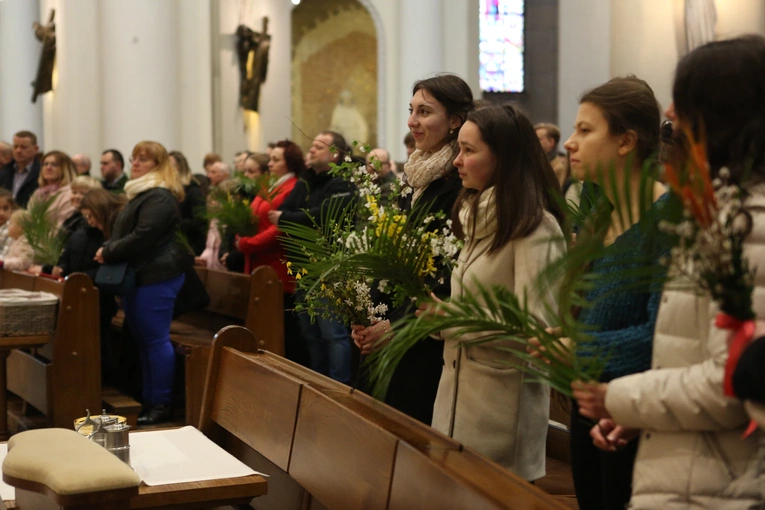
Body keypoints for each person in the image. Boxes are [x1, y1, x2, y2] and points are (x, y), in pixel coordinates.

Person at [574, 35, 765, 509]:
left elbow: (737, 382)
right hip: (681, 460)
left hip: (721, 482)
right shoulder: (714, 214)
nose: (671, 116)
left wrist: (622, 397)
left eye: (686, 102)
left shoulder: (748, 224)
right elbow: (689, 348)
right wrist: (638, 414)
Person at [418, 104, 565, 479]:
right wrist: (439, 317)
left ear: (503, 157)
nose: (457, 162)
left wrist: (451, 321)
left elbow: (536, 330)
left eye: (469, 151)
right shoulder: (475, 215)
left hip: (501, 415)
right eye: (459, 150)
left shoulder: (535, 227)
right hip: (454, 400)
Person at [545, 76, 665, 510]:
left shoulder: (664, 220)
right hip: (588, 405)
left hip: (636, 418)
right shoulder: (599, 219)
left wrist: (580, 347)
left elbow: (662, 334)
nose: (570, 143)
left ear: (626, 142)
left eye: (585, 130)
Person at [351, 74, 473, 424]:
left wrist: (395, 326)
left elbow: (446, 272)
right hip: (385, 329)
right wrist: (366, 315)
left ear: (454, 121)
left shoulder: (458, 185)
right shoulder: (412, 179)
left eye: (424, 111)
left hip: (422, 340)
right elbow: (391, 256)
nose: (412, 121)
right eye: (411, 110)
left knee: (409, 438)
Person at [95, 141, 187, 426]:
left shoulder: (159, 197)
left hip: (158, 276)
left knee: (155, 340)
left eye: (143, 159)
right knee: (145, 340)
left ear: (158, 165)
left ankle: (160, 403)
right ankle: (148, 398)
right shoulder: (141, 194)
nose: (135, 163)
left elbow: (144, 235)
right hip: (143, 276)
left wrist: (108, 250)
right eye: (134, 158)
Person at [270, 130, 356, 384]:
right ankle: (318, 386)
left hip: (328, 268)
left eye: (319, 146)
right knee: (311, 334)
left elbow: (322, 218)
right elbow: (284, 211)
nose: (312, 149)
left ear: (335, 154)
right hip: (302, 267)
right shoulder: (306, 180)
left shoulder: (343, 182)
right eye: (312, 145)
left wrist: (290, 219)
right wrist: (293, 218)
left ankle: (339, 389)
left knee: (334, 335)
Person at [237, 141, 308, 366]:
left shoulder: (293, 187)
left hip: (277, 266)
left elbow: (280, 228)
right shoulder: (271, 186)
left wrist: (248, 243)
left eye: (276, 159)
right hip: (259, 263)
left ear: (290, 163)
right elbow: (254, 214)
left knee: (283, 330)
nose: (270, 163)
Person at [169, 150, 207, 256]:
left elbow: (201, 222)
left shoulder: (193, 191)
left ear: (179, 168)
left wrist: (175, 224)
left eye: (169, 166)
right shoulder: (169, 191)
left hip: (190, 245)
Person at [29, 150, 77, 228]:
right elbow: (28, 219)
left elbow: (62, 226)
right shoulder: (38, 193)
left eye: (54, 165)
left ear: (65, 168)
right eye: (45, 164)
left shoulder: (70, 193)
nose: (48, 168)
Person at [0, 131, 40, 208]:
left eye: (23, 147)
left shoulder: (41, 173)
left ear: (36, 149)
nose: (18, 151)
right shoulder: (4, 172)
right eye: (15, 147)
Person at [0, 190, 17, 259]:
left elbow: (5, 256)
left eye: (5, 208)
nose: (1, 213)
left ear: (12, 209)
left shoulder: (11, 229)